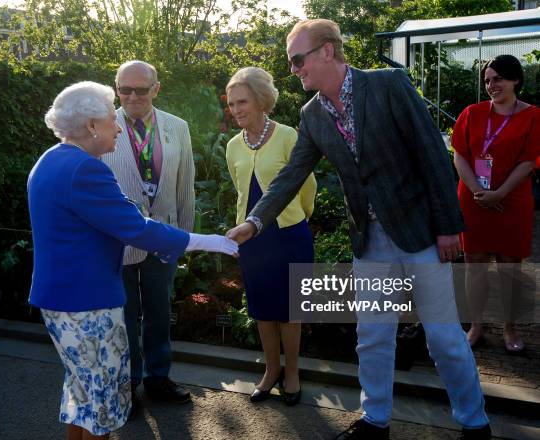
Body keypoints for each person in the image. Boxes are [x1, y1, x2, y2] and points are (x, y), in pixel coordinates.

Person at [226, 19, 491, 440]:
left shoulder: (389, 84)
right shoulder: (312, 115)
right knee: (372, 339)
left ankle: (474, 423)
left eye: (298, 59)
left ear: (327, 51)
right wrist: (254, 221)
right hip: (370, 243)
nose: (294, 69)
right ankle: (375, 421)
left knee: (443, 339)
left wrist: (448, 228)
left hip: (420, 234)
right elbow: (291, 176)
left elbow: (432, 154)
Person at [28, 81, 237, 440]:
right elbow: (137, 229)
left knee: (82, 393)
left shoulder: (52, 158)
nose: (119, 127)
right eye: (112, 119)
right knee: (104, 402)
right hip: (88, 303)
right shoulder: (86, 170)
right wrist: (210, 241)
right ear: (92, 126)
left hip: (60, 300)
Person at [101, 61, 196, 407]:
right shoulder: (101, 125)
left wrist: (183, 236)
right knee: (123, 318)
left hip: (163, 237)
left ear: (156, 89)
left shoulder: (178, 127)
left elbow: (186, 184)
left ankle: (159, 379)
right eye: (124, 89)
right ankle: (128, 386)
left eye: (141, 89)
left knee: (159, 313)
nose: (132, 96)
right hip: (117, 242)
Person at [225, 67, 316, 406]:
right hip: (252, 240)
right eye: (232, 104)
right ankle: (271, 369)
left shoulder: (288, 135)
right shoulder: (233, 146)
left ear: (261, 100)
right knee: (262, 308)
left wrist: (302, 218)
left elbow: (306, 184)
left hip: (290, 234)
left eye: (242, 101)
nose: (236, 109)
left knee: (291, 309)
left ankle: (292, 372)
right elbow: (240, 192)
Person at [452, 55, 539, 353]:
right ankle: (476, 324)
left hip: (511, 202)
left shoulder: (533, 116)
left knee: (509, 269)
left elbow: (529, 162)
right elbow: (459, 155)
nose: (491, 85)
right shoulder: (471, 113)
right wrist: (479, 191)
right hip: (474, 200)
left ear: (515, 79)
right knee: (473, 266)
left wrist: (499, 193)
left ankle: (509, 327)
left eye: (498, 78)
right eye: (487, 80)